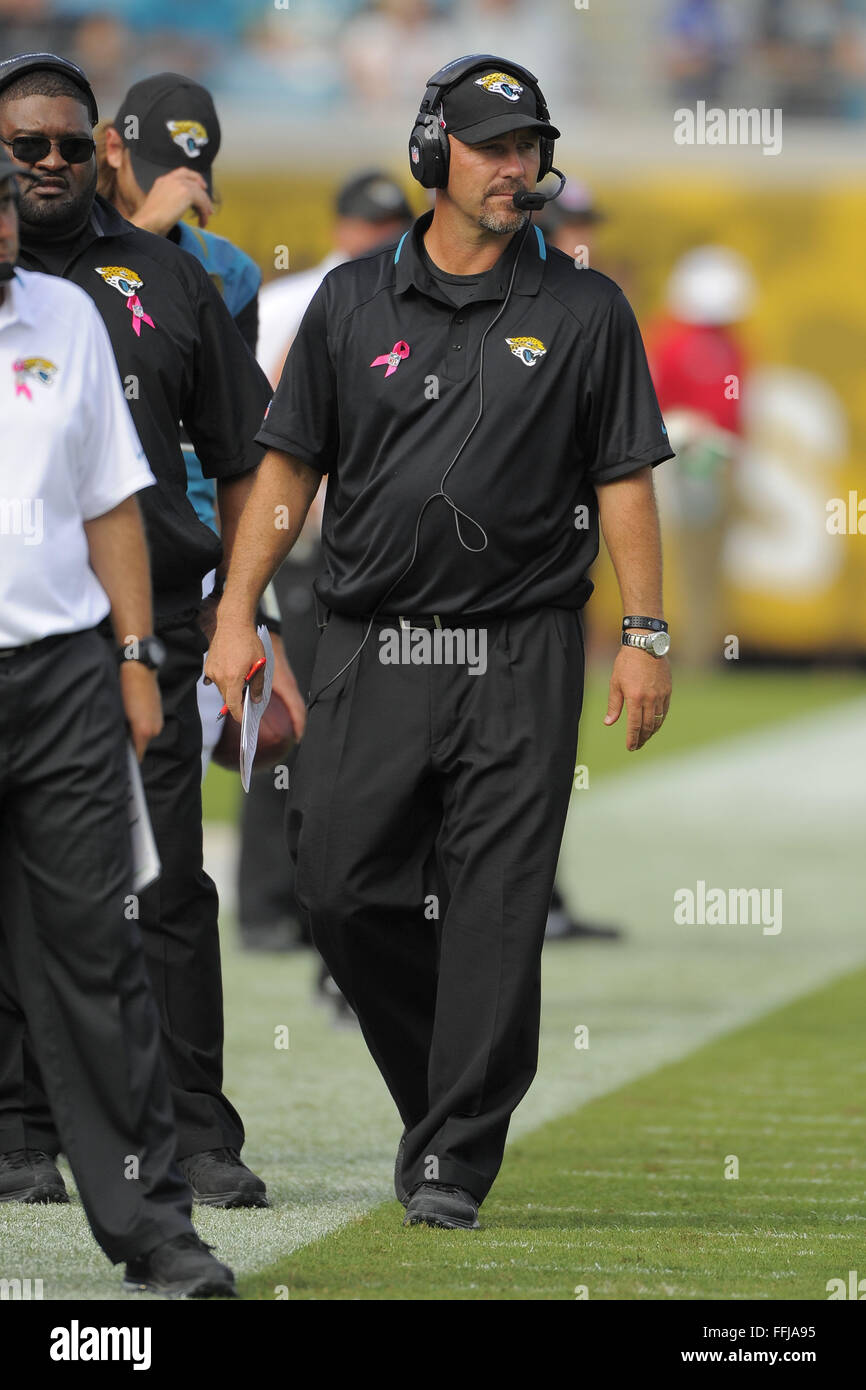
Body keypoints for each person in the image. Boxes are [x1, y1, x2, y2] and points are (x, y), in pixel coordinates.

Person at [207, 53, 673, 1231]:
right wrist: (235, 612)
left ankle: (456, 1154)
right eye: (493, 145)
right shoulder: (348, 303)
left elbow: (623, 478)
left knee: (498, 905)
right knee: (338, 887)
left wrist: (645, 631)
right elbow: (285, 470)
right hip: (370, 641)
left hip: (520, 649)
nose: (518, 165)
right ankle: (443, 1094)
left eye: (529, 144)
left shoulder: (584, 306)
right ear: (435, 155)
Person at [0, 51, 271, 1208]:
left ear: (103, 146)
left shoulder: (171, 277)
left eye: (72, 142)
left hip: (146, 621)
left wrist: (244, 613)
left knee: (161, 888)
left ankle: (194, 1130)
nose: (53, 163)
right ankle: (18, 1131)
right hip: (14, 623)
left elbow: (250, 458)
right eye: (28, 147)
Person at [95, 71, 306, 775]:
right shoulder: (54, 240)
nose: (173, 193)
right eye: (157, 173)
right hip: (72, 550)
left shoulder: (227, 272)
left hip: (181, 551)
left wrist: (249, 608)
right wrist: (147, 236)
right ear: (112, 150)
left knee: (169, 782)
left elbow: (228, 440)